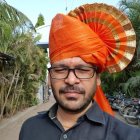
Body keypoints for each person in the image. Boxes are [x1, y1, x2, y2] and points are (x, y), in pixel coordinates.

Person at [19, 3, 140, 140]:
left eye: (83, 70)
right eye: (60, 69)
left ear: (98, 78)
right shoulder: (29, 129)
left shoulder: (129, 136)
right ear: (49, 77)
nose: (71, 80)